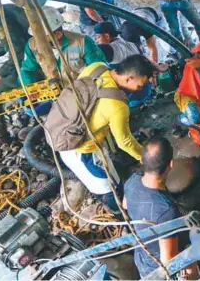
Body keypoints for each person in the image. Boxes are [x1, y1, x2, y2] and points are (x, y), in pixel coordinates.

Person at [60, 56, 154, 214]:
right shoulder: (117, 105)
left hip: (64, 125)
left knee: (111, 169)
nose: (139, 88)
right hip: (80, 149)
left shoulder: (97, 66)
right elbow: (125, 142)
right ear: (129, 77)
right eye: (139, 85)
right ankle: (122, 215)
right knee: (109, 186)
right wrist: (147, 158)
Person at [123, 137, 191, 278]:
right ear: (171, 164)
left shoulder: (132, 181)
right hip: (156, 271)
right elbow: (168, 261)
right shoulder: (166, 210)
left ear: (142, 161)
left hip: (141, 258)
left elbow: (125, 205)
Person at [0, 0, 31, 147]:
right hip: (34, 57)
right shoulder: (6, 9)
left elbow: (18, 50)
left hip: (30, 66)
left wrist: (0, 73)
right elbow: (9, 42)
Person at [21, 6, 106, 85]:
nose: (38, 41)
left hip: (82, 92)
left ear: (58, 34)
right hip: (54, 94)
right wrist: (30, 92)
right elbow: (27, 70)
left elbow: (100, 71)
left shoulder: (83, 43)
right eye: (36, 36)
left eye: (42, 37)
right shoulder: (32, 45)